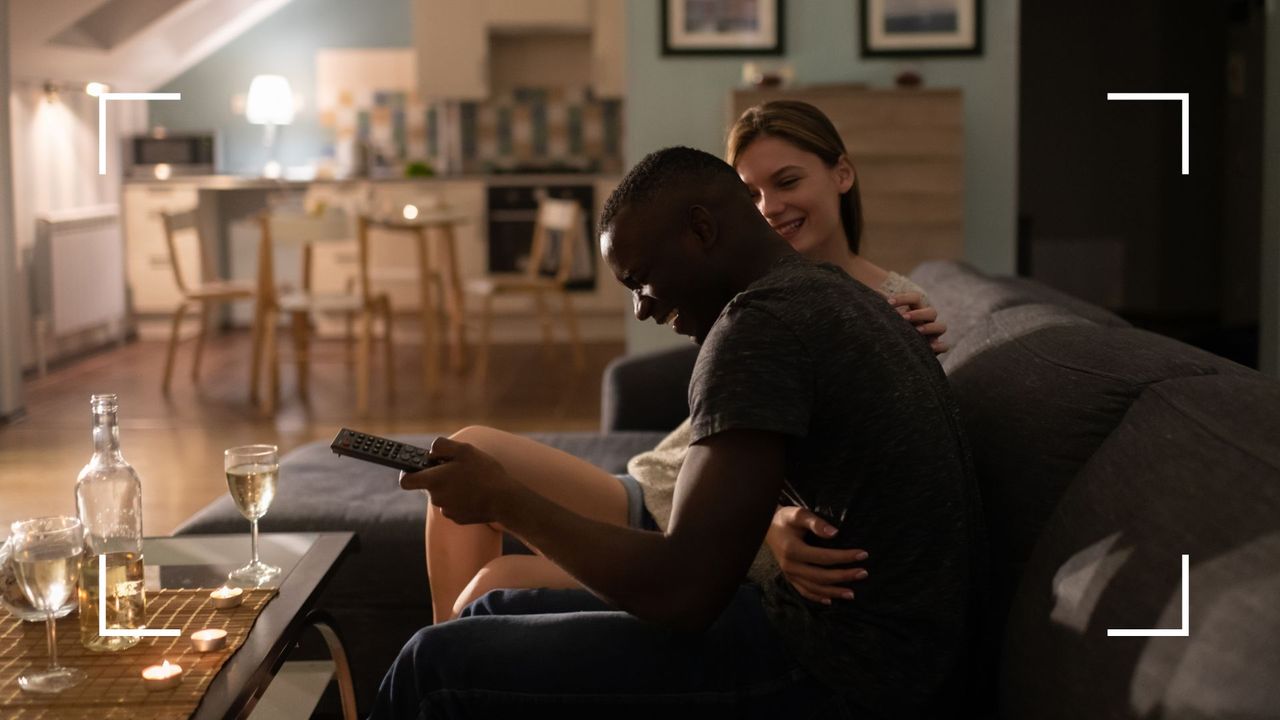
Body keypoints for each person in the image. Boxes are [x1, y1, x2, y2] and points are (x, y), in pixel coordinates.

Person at [370, 146, 982, 718]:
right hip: (859, 640)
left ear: (702, 230)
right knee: (489, 608)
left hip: (844, 669)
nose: (641, 308)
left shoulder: (759, 330)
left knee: (434, 665)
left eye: (640, 280)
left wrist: (502, 499)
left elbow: (684, 593)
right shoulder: (830, 295)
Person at [424, 101, 950, 624]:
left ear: (842, 174)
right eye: (750, 195)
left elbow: (870, 463)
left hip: (708, 536)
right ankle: (439, 651)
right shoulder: (741, 290)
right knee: (464, 451)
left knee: (491, 590)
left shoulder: (892, 312)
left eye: (787, 182)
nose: (769, 207)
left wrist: (770, 521)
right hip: (661, 490)